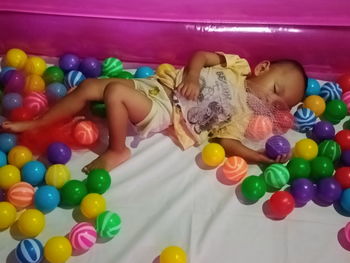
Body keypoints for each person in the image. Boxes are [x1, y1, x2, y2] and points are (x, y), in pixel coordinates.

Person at [2, 51, 306, 173]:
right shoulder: (237, 66)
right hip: (159, 84)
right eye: (275, 89)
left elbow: (228, 144)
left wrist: (262, 159)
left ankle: (118, 150)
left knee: (115, 92)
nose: (269, 99)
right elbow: (200, 56)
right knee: (91, 85)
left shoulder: (241, 115)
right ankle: (36, 123)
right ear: (263, 67)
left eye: (278, 104)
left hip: (167, 109)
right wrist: (190, 76)